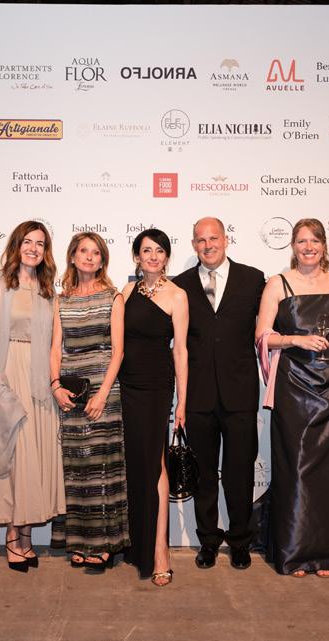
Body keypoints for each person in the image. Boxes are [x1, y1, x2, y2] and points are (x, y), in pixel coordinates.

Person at [255, 218, 329, 578]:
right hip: (295, 389)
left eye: (314, 240)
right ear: (293, 246)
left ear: (324, 245)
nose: (308, 247)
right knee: (297, 470)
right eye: (301, 241)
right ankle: (296, 553)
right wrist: (294, 339)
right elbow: (262, 336)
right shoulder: (277, 284)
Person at [171, 217, 264, 570]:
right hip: (197, 396)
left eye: (213, 238)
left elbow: (269, 329)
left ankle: (240, 541)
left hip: (240, 395)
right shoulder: (179, 285)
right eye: (201, 240)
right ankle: (208, 541)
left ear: (226, 240)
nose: (208, 245)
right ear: (193, 245)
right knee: (204, 475)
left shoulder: (253, 279)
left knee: (239, 474)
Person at [0, 221, 64, 571]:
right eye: (28, 241)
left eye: (40, 244)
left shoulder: (47, 289)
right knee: (15, 455)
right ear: (16, 245)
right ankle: (12, 537)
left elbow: (54, 342)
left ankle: (25, 536)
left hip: (38, 380)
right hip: (8, 373)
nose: (33, 248)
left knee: (34, 459)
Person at [50, 232, 130, 572]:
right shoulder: (61, 300)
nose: (89, 257)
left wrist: (102, 393)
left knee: (101, 467)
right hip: (70, 390)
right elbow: (55, 348)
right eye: (83, 251)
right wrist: (55, 386)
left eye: (96, 253)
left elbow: (118, 351)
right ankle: (79, 541)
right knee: (76, 468)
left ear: (102, 260)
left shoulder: (114, 297)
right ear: (72, 256)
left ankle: (103, 543)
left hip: (104, 390)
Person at [119, 228, 188, 587]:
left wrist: (182, 400)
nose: (153, 256)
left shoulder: (177, 295)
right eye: (147, 250)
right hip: (126, 386)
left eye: (160, 251)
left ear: (166, 257)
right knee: (135, 465)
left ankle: (160, 549)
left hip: (157, 387)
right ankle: (138, 544)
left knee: (156, 463)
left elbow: (181, 351)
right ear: (136, 256)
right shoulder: (126, 291)